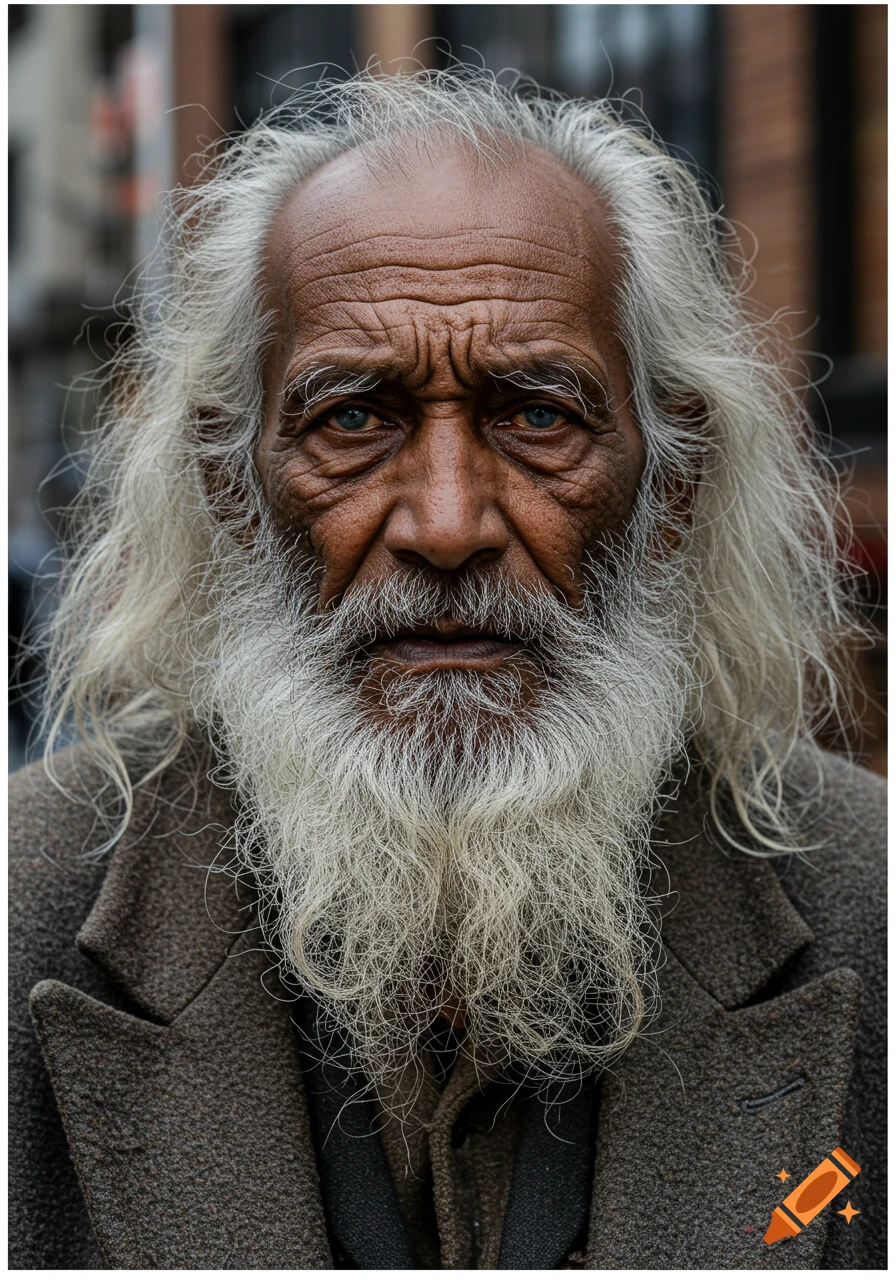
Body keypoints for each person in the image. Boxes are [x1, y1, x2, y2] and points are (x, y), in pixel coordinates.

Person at [9, 69, 885, 1270]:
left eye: (536, 415)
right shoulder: (26, 912)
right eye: (352, 419)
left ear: (669, 488)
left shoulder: (867, 905)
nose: (444, 522)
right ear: (231, 487)